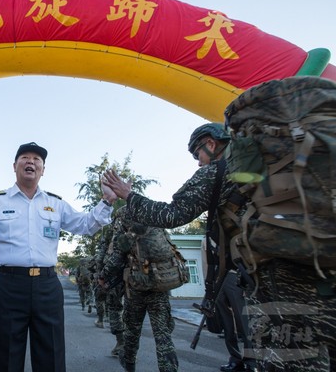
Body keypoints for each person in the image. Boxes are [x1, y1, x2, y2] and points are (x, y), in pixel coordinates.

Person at [103, 123, 257, 372]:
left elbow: (171, 214)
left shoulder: (217, 171)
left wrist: (128, 196)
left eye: (198, 155)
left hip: (141, 285)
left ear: (211, 144)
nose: (199, 162)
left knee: (131, 334)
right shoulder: (258, 163)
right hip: (275, 262)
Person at [0, 141, 116, 372]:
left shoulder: (55, 203)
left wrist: (107, 201)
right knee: (5, 357)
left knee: (51, 356)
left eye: (37, 159)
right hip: (9, 285)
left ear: (43, 169)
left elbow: (86, 225)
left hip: (47, 286)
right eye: (25, 158)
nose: (31, 162)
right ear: (15, 166)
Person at [100, 212, 178, 372]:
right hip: (159, 285)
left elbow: (116, 258)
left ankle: (129, 365)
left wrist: (103, 276)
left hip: (136, 287)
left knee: (132, 332)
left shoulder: (126, 230)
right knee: (163, 335)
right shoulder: (156, 222)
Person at [94, 209, 125, 356]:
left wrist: (101, 274)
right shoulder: (144, 225)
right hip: (140, 277)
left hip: (115, 275)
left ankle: (121, 343)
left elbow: (101, 253)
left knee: (115, 308)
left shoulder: (112, 231)